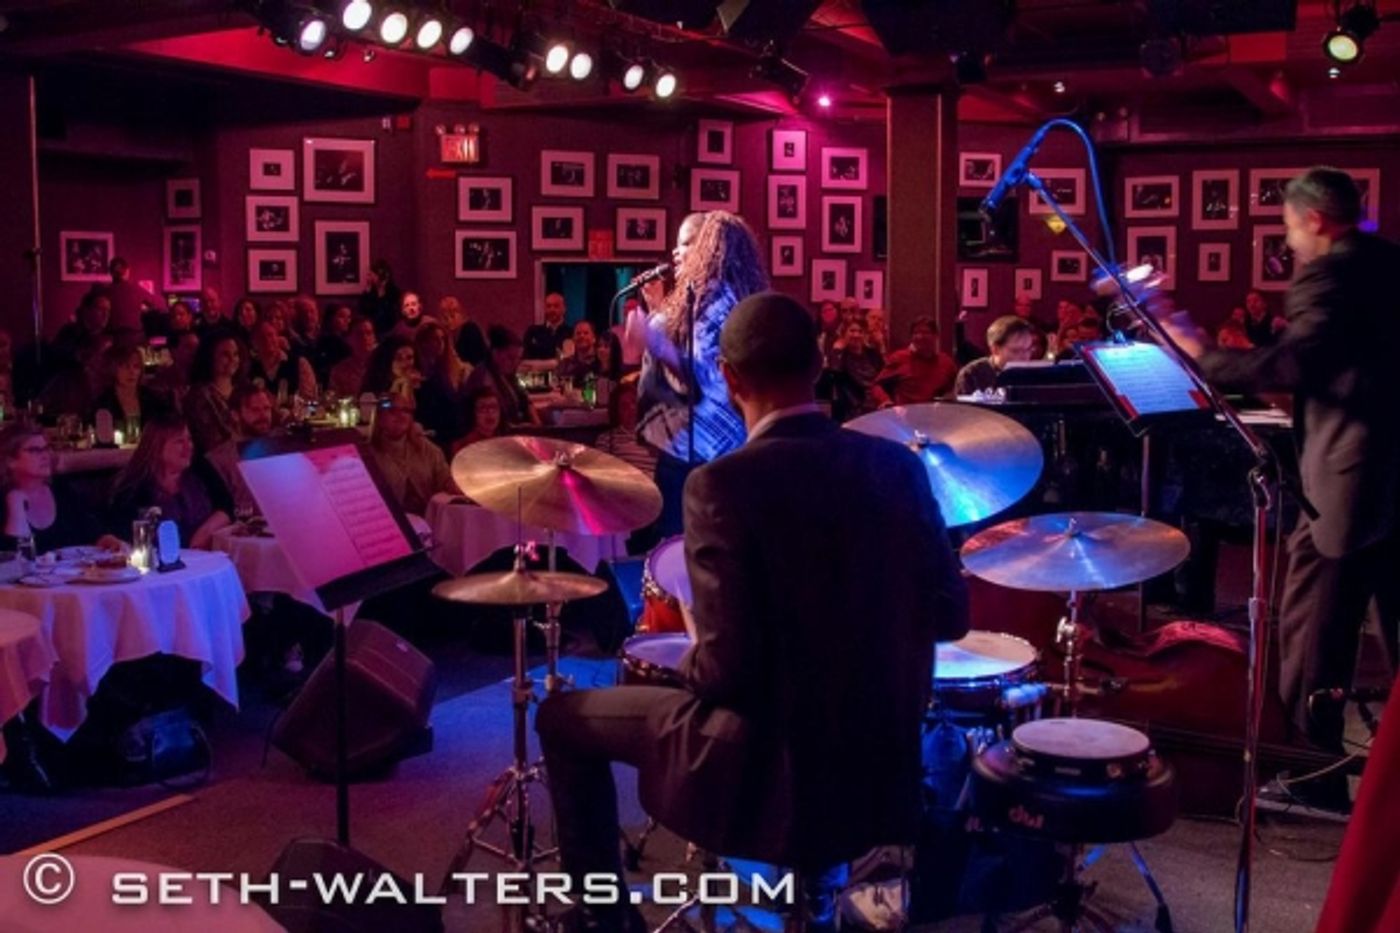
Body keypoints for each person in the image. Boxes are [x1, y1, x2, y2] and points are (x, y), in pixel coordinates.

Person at [536, 292, 968, 932]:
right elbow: (952, 617)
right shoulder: (897, 468)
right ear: (820, 365)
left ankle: (606, 921)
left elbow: (728, 675)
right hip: (881, 761)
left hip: (768, 767)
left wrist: (684, 646)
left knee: (562, 715)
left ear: (730, 378)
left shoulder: (722, 484)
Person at [1158, 167, 1400, 774]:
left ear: (1314, 220)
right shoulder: (1388, 263)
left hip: (1350, 480)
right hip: (1388, 470)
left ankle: (1308, 774)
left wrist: (1201, 355)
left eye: (1289, 229)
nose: (1289, 243)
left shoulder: (1329, 273)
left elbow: (1303, 361)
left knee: (1316, 632)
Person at [633, 211, 766, 537]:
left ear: (711, 247)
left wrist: (653, 339)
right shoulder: (722, 300)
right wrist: (657, 317)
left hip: (700, 457)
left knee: (680, 562)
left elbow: (701, 377)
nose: (676, 253)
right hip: (716, 451)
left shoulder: (718, 302)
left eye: (688, 243)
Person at [109, 416, 232, 549]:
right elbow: (126, 537)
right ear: (157, 448)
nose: (188, 447)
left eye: (189, 440)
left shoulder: (199, 470)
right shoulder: (134, 488)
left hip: (205, 555)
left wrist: (204, 533)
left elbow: (227, 506)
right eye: (179, 441)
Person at [0, 424, 123, 553]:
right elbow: (12, 561)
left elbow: (93, 531)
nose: (45, 455)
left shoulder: (60, 490)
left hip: (75, 572)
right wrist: (16, 507)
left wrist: (109, 540)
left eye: (46, 448)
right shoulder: (4, 500)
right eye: (34, 450)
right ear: (10, 461)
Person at [367, 393, 461, 515]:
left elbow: (445, 480)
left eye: (405, 411)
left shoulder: (427, 449)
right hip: (386, 523)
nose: (400, 415)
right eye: (392, 411)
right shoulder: (368, 454)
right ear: (379, 418)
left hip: (428, 522)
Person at [204, 382, 276, 516]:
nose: (263, 416)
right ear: (235, 415)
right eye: (255, 410)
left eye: (267, 409)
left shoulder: (281, 446)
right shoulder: (219, 460)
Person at [872, 316, 958, 406]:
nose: (920, 337)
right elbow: (877, 385)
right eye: (916, 333)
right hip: (906, 416)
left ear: (936, 335)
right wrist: (885, 401)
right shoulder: (900, 358)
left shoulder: (946, 363)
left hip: (935, 416)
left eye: (925, 332)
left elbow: (954, 389)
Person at [464, 326, 538, 428]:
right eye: (511, 358)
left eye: (519, 358)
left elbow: (525, 401)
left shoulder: (506, 372)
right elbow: (490, 422)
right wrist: (521, 429)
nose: (516, 363)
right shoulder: (484, 380)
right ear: (495, 353)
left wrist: (538, 426)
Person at [183, 334, 245, 453]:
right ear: (210, 357)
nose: (233, 359)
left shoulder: (244, 388)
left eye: (236, 354)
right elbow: (211, 441)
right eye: (225, 354)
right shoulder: (198, 396)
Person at [413, 321, 468, 448]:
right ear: (424, 342)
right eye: (435, 339)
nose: (440, 343)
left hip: (449, 431)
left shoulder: (446, 370)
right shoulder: (418, 373)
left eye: (442, 338)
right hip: (430, 432)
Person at [954, 315, 1039, 395]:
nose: (1025, 357)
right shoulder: (971, 374)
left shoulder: (1035, 374)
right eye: (1016, 351)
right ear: (995, 349)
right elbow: (964, 409)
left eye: (1028, 350)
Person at [91, 345, 172, 427]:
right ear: (113, 369)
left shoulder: (152, 397)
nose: (132, 372)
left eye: (136, 366)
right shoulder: (104, 402)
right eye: (125, 367)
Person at [825, 317, 885, 422]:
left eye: (860, 331)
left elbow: (884, 376)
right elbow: (835, 376)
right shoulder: (840, 356)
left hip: (877, 402)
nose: (856, 335)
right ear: (844, 334)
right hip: (854, 406)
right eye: (852, 331)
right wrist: (836, 352)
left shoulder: (873, 354)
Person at [99, 257, 162, 336]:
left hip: (110, 338)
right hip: (133, 337)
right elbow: (160, 305)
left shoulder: (103, 292)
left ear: (110, 272)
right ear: (127, 271)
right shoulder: (135, 289)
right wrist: (144, 308)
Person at [329, 317, 377, 397]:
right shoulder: (339, 371)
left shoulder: (384, 366)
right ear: (349, 339)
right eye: (359, 334)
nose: (365, 338)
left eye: (369, 333)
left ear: (374, 337)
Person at [452, 385, 505, 453]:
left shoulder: (505, 442)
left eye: (494, 407)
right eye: (483, 408)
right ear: (473, 412)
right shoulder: (462, 446)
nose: (490, 412)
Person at [438, 295, 488, 367]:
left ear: (460, 313)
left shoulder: (470, 330)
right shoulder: (452, 335)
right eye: (445, 318)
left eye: (452, 316)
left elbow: (477, 361)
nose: (449, 321)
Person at [359, 259, 402, 336]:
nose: (370, 277)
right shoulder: (370, 292)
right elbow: (363, 310)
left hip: (390, 330)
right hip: (372, 330)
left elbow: (391, 312)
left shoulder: (393, 291)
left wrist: (382, 291)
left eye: (372, 275)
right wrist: (367, 291)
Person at [524, 292, 572, 360]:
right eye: (548, 306)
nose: (552, 310)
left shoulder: (571, 333)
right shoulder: (533, 331)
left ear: (564, 309)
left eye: (556, 306)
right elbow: (525, 357)